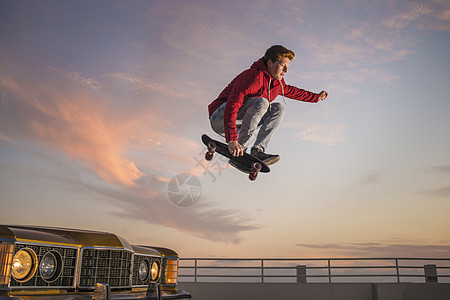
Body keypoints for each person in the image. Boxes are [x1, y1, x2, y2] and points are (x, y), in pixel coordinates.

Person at [208, 45, 328, 165]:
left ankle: (257, 150)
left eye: (287, 67)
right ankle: (241, 152)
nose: (286, 71)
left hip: (238, 125)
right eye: (282, 66)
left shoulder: (277, 83)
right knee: (262, 102)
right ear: (270, 63)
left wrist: (316, 97)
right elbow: (232, 104)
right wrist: (232, 139)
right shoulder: (254, 76)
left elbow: (295, 92)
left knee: (278, 109)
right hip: (219, 117)